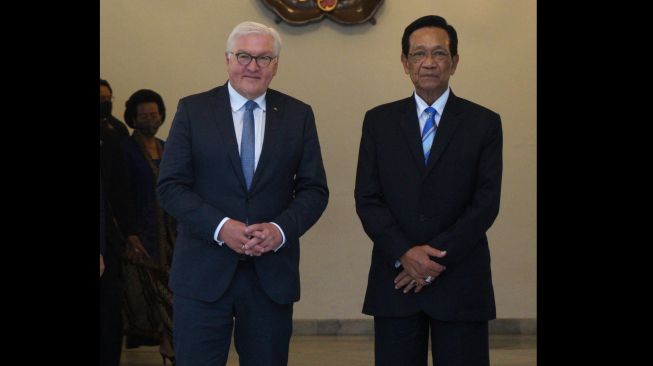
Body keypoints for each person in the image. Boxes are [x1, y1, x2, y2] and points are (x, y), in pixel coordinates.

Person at [157, 21, 329, 366]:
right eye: (243, 56)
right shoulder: (193, 110)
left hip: (270, 277)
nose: (252, 66)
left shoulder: (298, 115)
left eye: (263, 58)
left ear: (275, 65)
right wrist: (222, 227)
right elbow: (170, 187)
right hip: (202, 274)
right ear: (227, 59)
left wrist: (279, 231)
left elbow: (314, 190)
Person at [354, 15, 502, 366]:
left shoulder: (484, 122)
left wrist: (430, 261)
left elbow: (485, 203)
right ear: (405, 63)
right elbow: (368, 199)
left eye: (440, 53)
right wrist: (405, 252)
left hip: (461, 279)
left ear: (455, 62)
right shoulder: (378, 121)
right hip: (396, 281)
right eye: (419, 54)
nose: (430, 62)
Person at [120, 89, 176, 363]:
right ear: (133, 118)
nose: (150, 120)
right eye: (143, 116)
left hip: (171, 235)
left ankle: (169, 342)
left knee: (173, 291)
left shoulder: (166, 147)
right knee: (149, 295)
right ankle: (166, 342)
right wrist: (129, 232)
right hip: (141, 236)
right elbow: (120, 193)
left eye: (154, 115)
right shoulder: (125, 150)